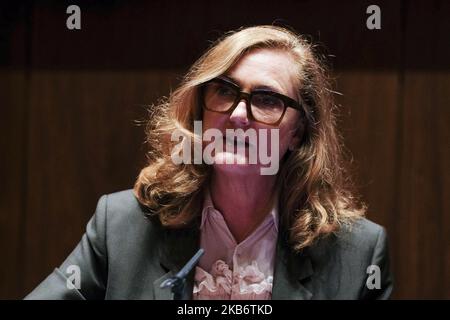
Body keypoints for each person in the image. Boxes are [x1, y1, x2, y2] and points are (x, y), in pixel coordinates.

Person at [25, 25, 393, 300]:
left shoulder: (358, 253)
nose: (237, 115)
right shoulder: (122, 226)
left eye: (266, 100)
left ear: (298, 133)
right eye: (224, 90)